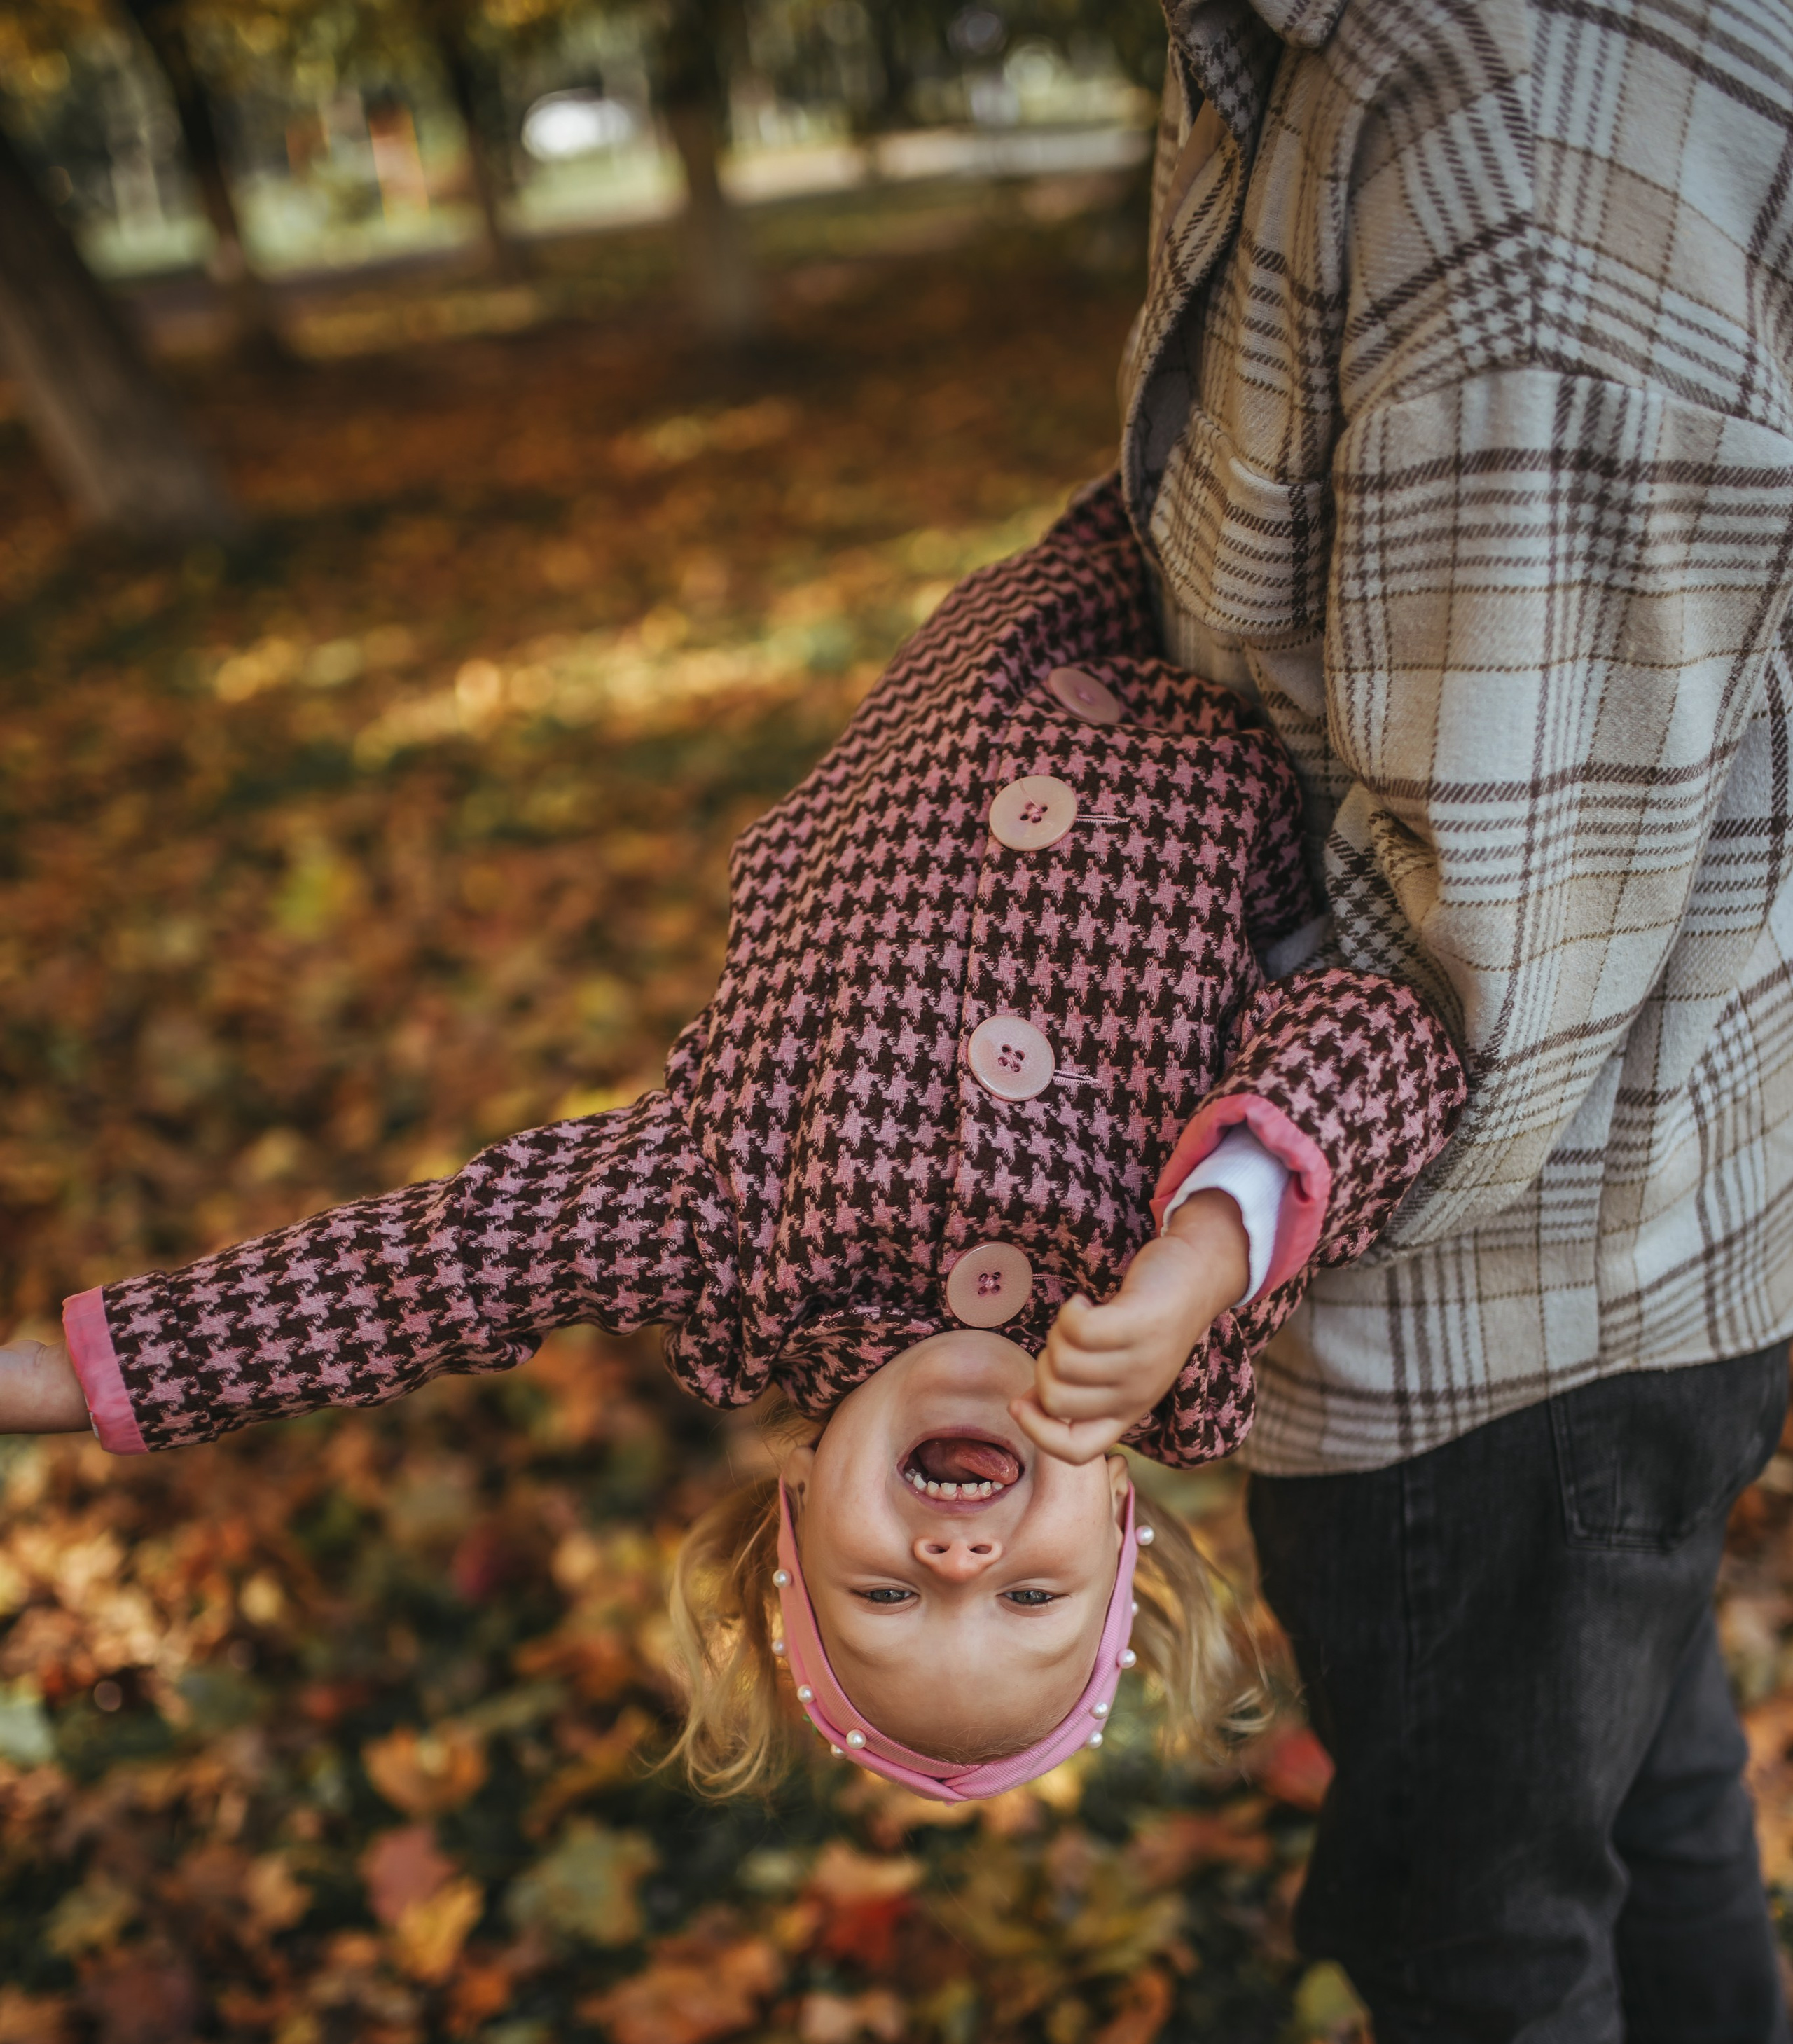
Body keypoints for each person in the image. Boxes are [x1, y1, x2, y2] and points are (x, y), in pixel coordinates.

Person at [0, 482, 1462, 1814]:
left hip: (1059, 592)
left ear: (793, 1518)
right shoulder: (1177, 1312)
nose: (960, 1565)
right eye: (1033, 1600)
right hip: (1262, 678)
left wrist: (90, 1374)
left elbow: (434, 1273)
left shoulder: (734, 1239)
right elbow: (1387, 1044)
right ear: (1120, 1527)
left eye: (881, 1600)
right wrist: (1209, 1249)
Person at [1125, 0, 1793, 2044]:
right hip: (1679, 1192)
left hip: (1492, 1264)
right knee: (1636, 1758)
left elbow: (1487, 940)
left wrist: (1201, 1221)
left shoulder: (1488, 125)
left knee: (1478, 1890)